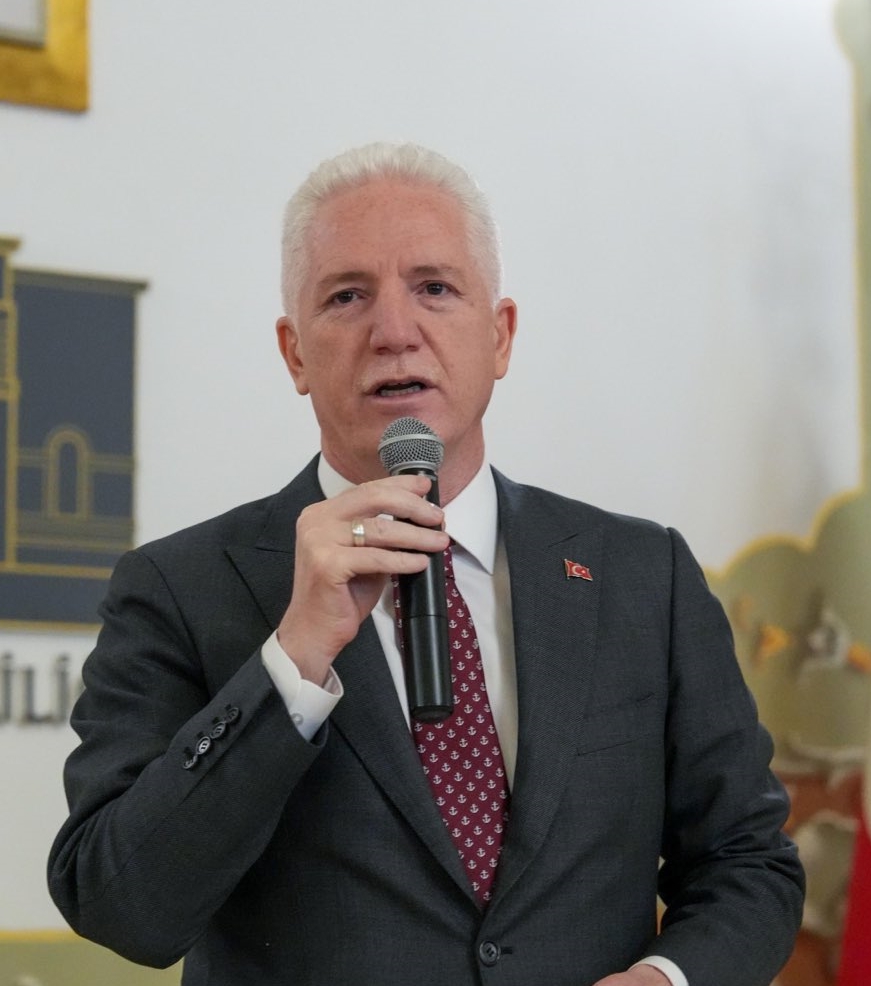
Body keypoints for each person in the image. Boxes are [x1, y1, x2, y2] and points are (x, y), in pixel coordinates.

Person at [48, 143, 803, 986]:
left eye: (435, 288)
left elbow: (748, 862)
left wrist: (667, 979)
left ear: (500, 335)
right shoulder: (179, 590)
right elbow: (120, 906)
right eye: (347, 296)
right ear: (295, 354)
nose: (395, 333)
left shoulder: (641, 576)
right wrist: (292, 661)